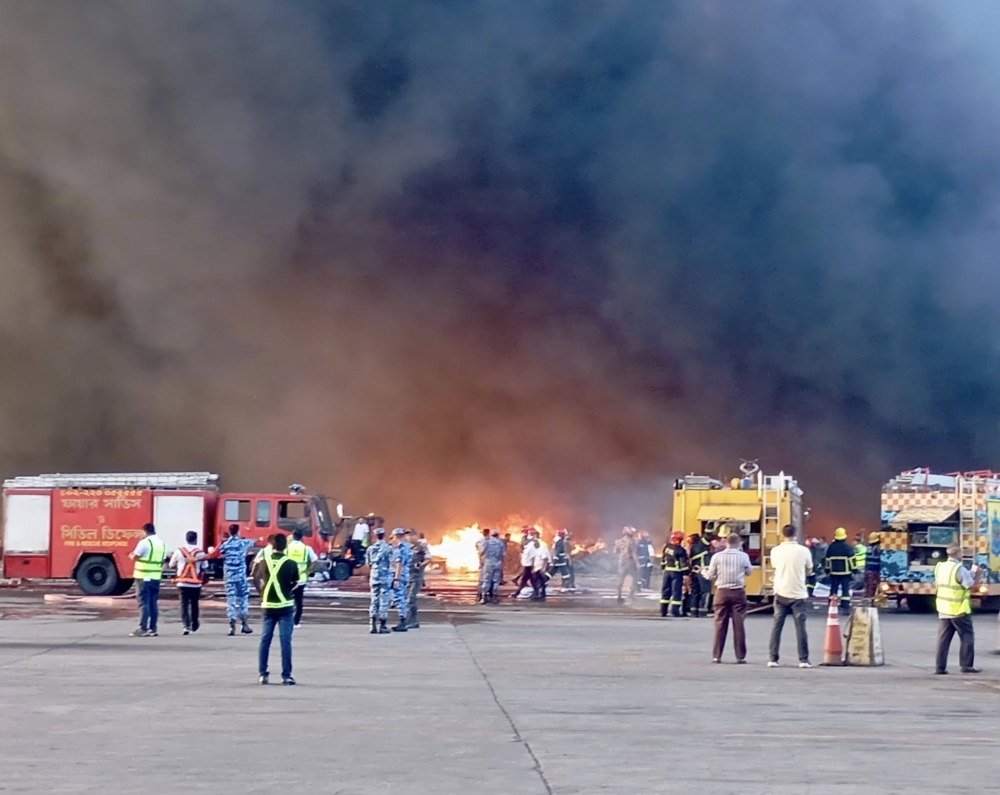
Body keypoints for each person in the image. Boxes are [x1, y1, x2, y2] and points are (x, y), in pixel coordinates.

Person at [252, 533, 299, 685]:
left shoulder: (263, 563)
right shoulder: (291, 563)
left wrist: (262, 594)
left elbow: (256, 578)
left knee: (265, 640)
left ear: (271, 546)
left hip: (267, 606)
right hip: (285, 606)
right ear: (285, 546)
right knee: (285, 641)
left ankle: (263, 674)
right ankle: (286, 675)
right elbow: (296, 583)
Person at [768, 524, 813, 668]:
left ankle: (773, 659)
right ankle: (803, 660)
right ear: (796, 533)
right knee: (800, 628)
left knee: (777, 626)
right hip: (798, 593)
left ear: (783, 534)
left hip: (780, 591)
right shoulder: (804, 551)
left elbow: (775, 567)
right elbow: (809, 570)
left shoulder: (775, 551)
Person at [706, 532, 753, 663]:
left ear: (726, 542)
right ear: (738, 543)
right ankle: (740, 656)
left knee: (720, 624)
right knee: (739, 625)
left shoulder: (717, 557)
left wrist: (702, 572)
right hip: (738, 592)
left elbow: (710, 575)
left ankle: (717, 656)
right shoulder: (743, 556)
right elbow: (749, 572)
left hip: (721, 592)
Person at [934, 544, 980, 675]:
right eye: (961, 552)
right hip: (958, 609)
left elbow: (955, 579)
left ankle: (940, 667)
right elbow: (968, 585)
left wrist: (970, 573)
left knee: (943, 640)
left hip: (944, 608)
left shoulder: (940, 567)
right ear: (956, 554)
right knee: (967, 637)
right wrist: (978, 576)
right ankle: (966, 666)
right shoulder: (958, 568)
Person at [128, 523, 167, 637]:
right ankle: (153, 628)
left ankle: (143, 628)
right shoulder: (162, 544)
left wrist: (131, 556)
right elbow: (163, 561)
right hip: (155, 577)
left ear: (145, 531)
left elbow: (136, 556)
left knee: (143, 602)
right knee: (153, 602)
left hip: (143, 576)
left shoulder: (145, 542)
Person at [218, 524, 256, 636]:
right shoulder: (243, 543)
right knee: (243, 598)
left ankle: (232, 624)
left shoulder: (225, 545)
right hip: (241, 576)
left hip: (229, 577)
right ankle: (244, 623)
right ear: (238, 531)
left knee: (231, 599)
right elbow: (253, 542)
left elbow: (221, 551)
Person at [169, 530, 206, 635]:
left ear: (186, 539)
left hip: (182, 583)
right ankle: (195, 623)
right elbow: (205, 567)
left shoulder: (179, 551)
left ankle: (186, 625)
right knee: (195, 604)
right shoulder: (200, 552)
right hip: (196, 584)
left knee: (184, 605)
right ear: (196, 539)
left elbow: (171, 565)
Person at [287, 529, 318, 628]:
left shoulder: (287, 548)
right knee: (299, 601)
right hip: (301, 578)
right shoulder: (306, 548)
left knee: (287, 600)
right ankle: (296, 622)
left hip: (288, 577)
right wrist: (309, 571)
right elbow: (314, 561)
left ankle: (286, 619)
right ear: (302, 537)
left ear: (293, 536)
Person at [366, 527, 393, 634]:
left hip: (374, 577)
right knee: (384, 601)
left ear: (375, 536)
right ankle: (382, 626)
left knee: (374, 601)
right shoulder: (388, 548)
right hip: (385, 577)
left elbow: (368, 564)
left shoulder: (370, 549)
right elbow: (393, 562)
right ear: (384, 535)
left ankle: (372, 625)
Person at [825, 527, 856, 615]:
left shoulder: (831, 547)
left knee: (833, 589)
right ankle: (845, 607)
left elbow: (827, 559)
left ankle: (831, 605)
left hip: (834, 573)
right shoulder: (847, 547)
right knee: (845, 590)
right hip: (845, 573)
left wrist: (827, 569)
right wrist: (854, 569)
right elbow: (852, 559)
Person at [660, 530, 689, 617]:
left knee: (665, 591)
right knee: (676, 592)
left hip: (667, 572)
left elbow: (663, 560)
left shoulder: (666, 547)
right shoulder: (680, 550)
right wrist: (686, 573)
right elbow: (683, 564)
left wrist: (663, 568)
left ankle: (663, 611)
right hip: (676, 573)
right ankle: (675, 611)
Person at [390, 528, 413, 631]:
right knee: (401, 597)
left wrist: (396, 579)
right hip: (405, 575)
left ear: (396, 536)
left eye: (393, 536)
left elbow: (399, 564)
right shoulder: (407, 547)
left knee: (399, 598)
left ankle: (403, 622)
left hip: (400, 576)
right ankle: (403, 620)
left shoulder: (400, 548)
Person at [406, 531, 429, 627]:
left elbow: (428, 558)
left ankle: (413, 621)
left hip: (416, 576)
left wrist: (420, 565)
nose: (409, 537)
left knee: (411, 598)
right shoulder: (406, 547)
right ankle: (408, 620)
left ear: (415, 536)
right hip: (407, 576)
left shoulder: (421, 546)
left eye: (411, 535)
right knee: (406, 599)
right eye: (408, 535)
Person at [688, 531, 711, 617]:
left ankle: (693, 611)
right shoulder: (700, 545)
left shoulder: (692, 548)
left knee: (695, 591)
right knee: (705, 591)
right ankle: (702, 611)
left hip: (694, 571)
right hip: (703, 571)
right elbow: (708, 536)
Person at [615, 527, 640, 604]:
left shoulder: (618, 541)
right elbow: (634, 553)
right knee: (635, 578)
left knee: (621, 579)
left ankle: (619, 596)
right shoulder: (632, 541)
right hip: (630, 562)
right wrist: (637, 563)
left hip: (621, 562)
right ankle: (631, 594)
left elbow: (615, 552)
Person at [481, 529, 506, 603]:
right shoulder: (501, 543)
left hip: (489, 562)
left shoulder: (487, 542)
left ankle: (484, 596)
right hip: (498, 563)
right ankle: (494, 597)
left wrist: (482, 561)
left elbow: (482, 552)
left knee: (486, 579)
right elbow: (503, 555)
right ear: (498, 535)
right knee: (496, 580)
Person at [512, 529, 537, 598]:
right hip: (529, 562)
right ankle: (537, 591)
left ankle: (536, 591)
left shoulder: (531, 541)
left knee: (528, 577)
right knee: (528, 577)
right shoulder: (530, 542)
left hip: (529, 562)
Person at [532, 534, 552, 601]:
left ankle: (540, 593)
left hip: (540, 567)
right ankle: (538, 593)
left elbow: (545, 558)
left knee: (540, 580)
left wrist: (543, 568)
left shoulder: (542, 546)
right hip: (536, 567)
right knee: (537, 580)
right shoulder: (534, 547)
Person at [864, 531, 881, 599]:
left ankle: (867, 599)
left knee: (868, 587)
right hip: (874, 570)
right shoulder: (877, 548)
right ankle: (871, 601)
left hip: (868, 570)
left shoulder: (869, 547)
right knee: (873, 587)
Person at [475, 527, 490, 603]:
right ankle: (483, 595)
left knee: (482, 579)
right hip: (486, 561)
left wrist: (479, 554)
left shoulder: (482, 540)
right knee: (485, 579)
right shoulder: (488, 540)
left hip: (485, 561)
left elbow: (476, 545)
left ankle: (481, 595)